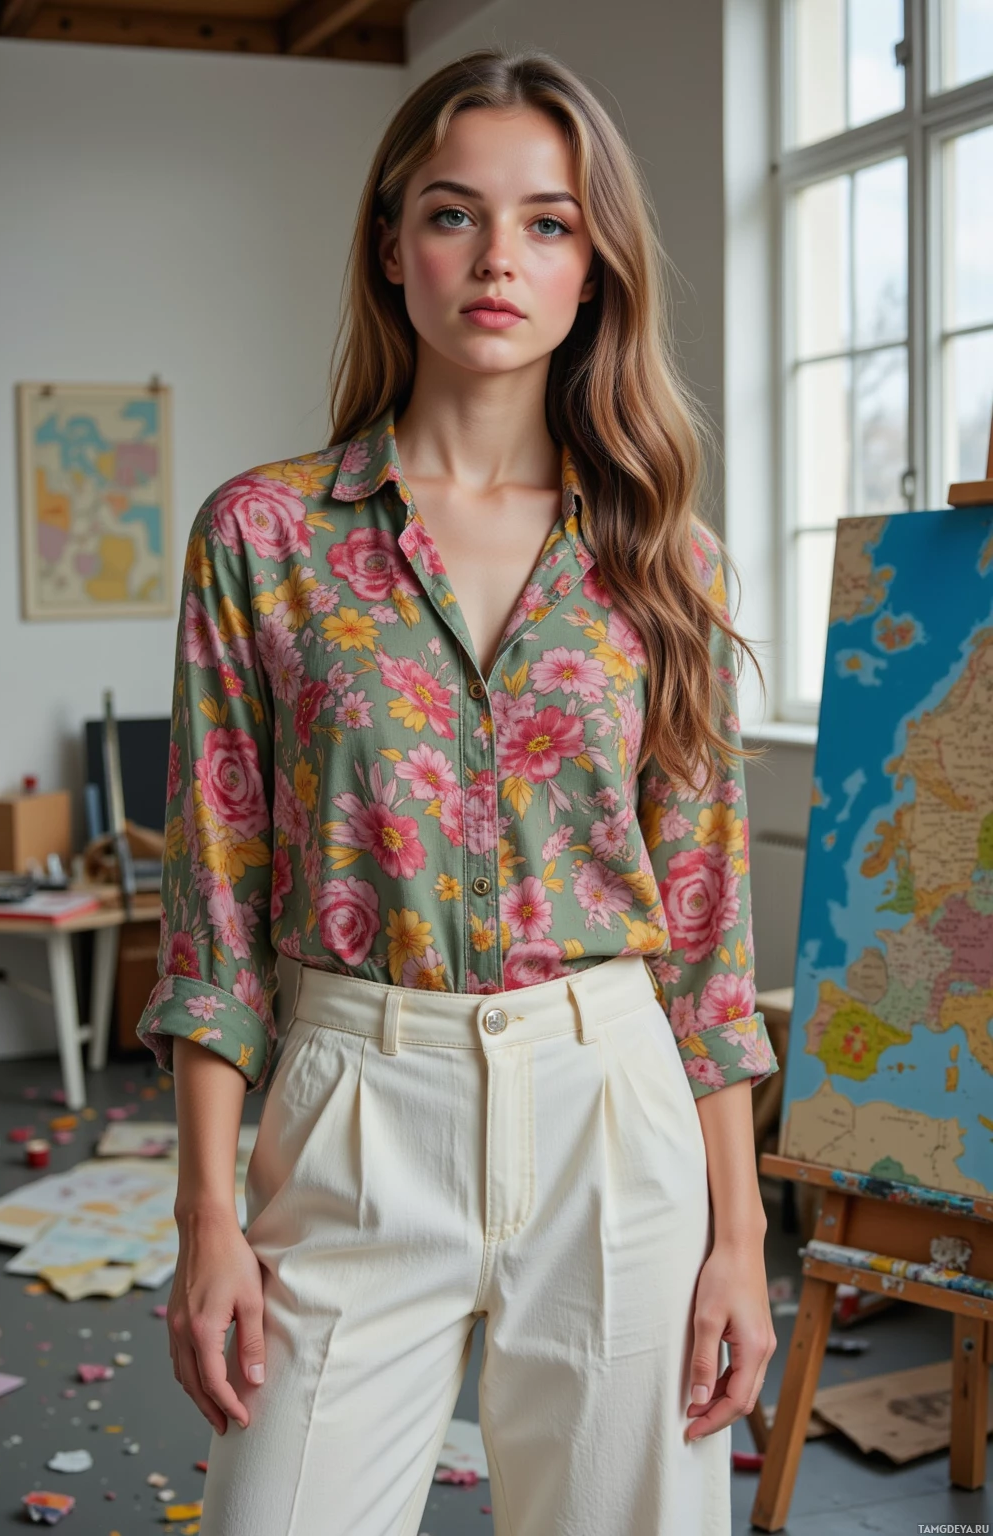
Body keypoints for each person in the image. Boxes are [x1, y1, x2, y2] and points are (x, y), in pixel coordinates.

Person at [136, 45, 780, 1536]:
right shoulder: (264, 536)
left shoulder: (663, 559)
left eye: (549, 221)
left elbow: (706, 926)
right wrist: (206, 1213)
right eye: (454, 213)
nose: (501, 257)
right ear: (390, 244)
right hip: (359, 1102)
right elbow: (214, 914)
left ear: (595, 265)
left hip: (615, 1111)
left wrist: (738, 1237)